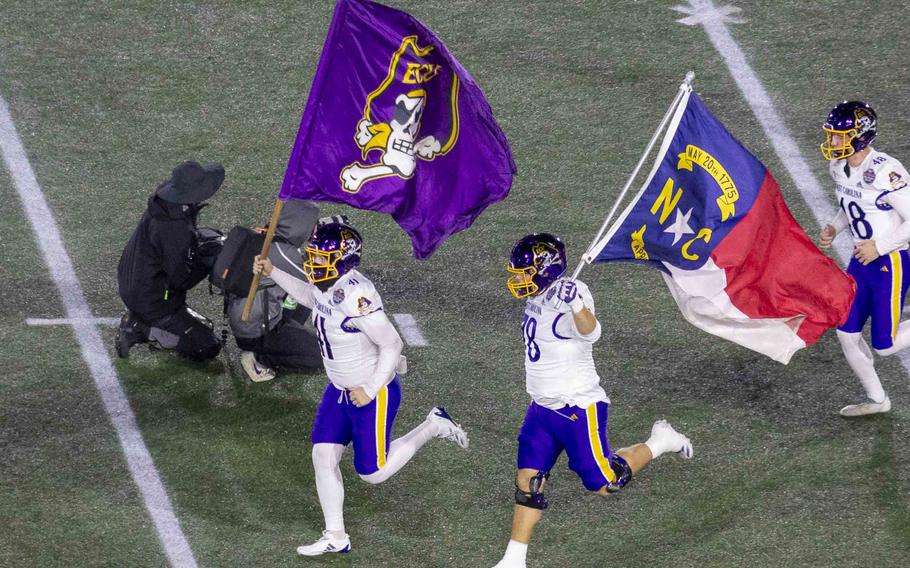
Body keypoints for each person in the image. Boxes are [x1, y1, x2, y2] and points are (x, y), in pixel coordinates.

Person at [251, 221, 469, 556]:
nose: (313, 264)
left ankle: (434, 424)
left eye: (321, 258)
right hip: (339, 388)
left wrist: (370, 387)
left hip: (372, 391)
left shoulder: (357, 295)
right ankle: (335, 536)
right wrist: (273, 271)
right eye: (314, 256)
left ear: (343, 260)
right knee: (322, 456)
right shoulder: (328, 285)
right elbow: (311, 296)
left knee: (373, 473)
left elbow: (393, 344)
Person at [492, 233, 693, 568]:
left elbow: (591, 332)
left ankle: (660, 441)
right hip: (542, 406)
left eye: (525, 272)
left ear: (545, 269)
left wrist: (574, 304)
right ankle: (513, 561)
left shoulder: (574, 293)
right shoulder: (541, 294)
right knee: (528, 479)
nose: (518, 280)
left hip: (576, 406)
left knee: (605, 483)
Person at [818, 101, 910, 417]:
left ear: (861, 136)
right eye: (832, 136)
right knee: (846, 333)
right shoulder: (839, 167)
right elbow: (852, 206)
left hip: (890, 261)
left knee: (885, 345)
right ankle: (877, 399)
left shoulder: (887, 170)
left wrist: (880, 247)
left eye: (839, 137)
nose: (832, 142)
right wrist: (834, 225)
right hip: (861, 261)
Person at [116, 160, 225, 361]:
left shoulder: (165, 206)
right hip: (152, 300)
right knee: (207, 346)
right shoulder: (174, 228)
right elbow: (180, 279)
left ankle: (152, 320)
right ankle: (140, 329)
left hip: (134, 281)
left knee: (211, 238)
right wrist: (206, 262)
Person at [229, 201, 325, 382]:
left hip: (244, 319)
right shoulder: (282, 253)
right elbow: (319, 282)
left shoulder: (263, 237)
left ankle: (285, 336)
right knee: (322, 356)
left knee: (300, 299)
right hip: (257, 331)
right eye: (312, 224)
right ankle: (259, 358)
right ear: (300, 225)